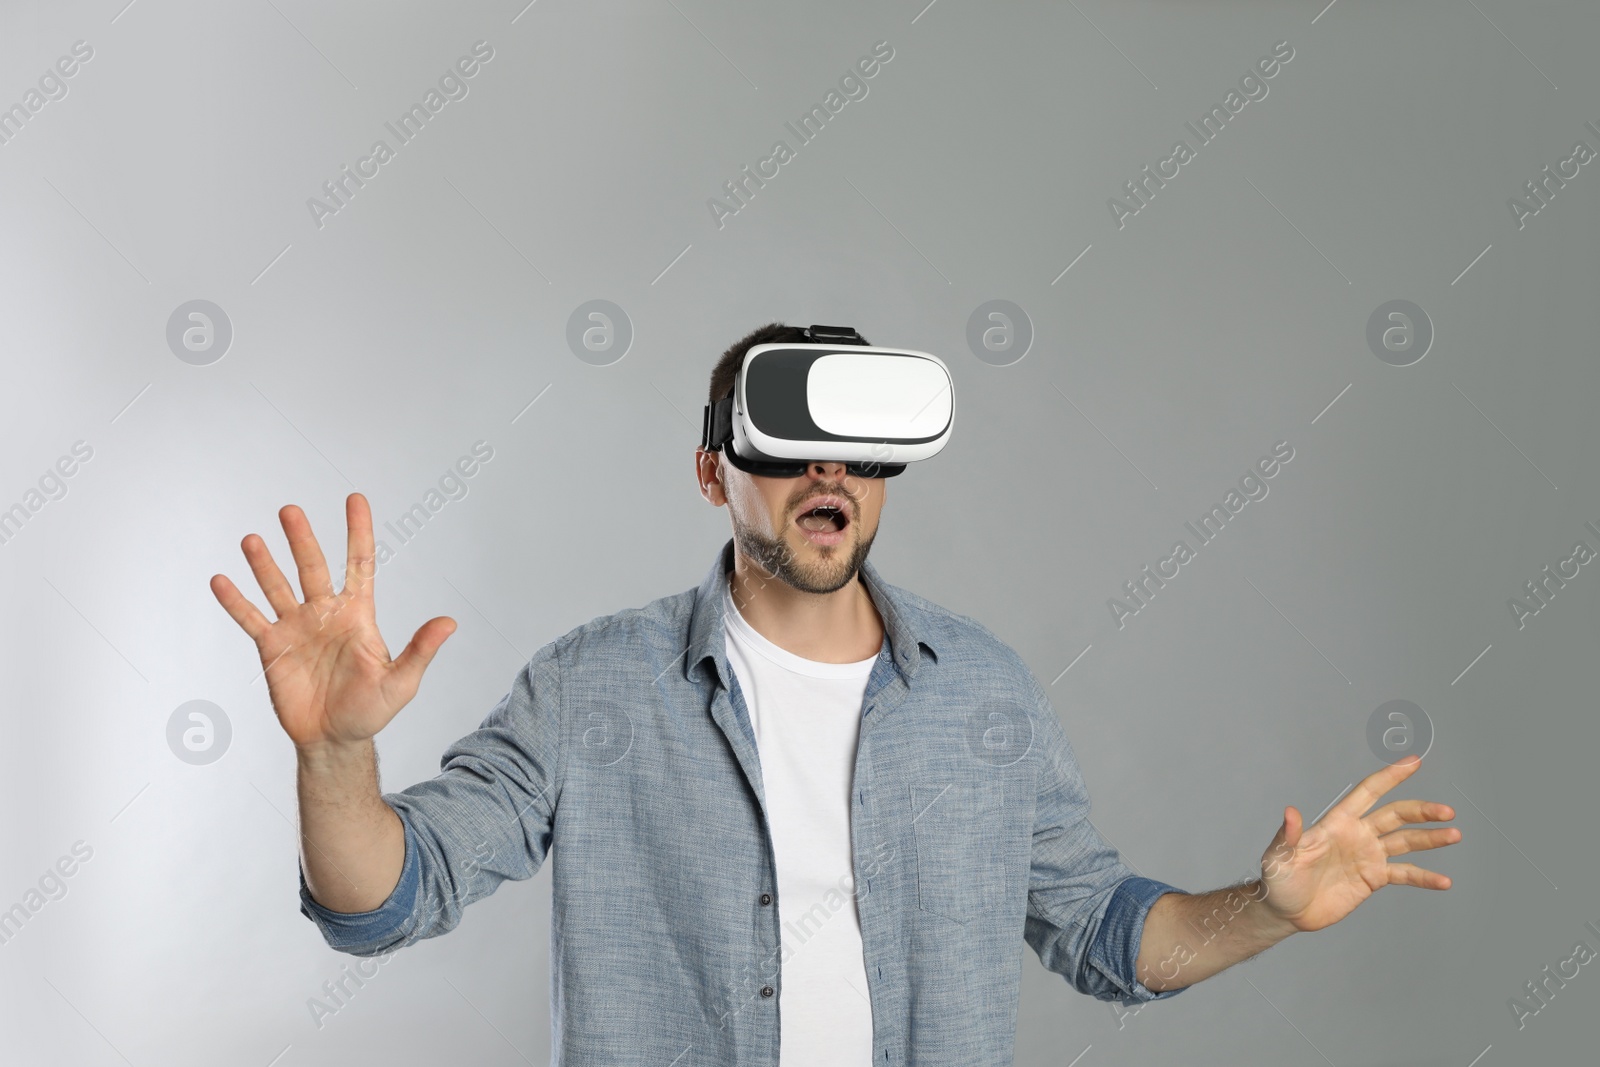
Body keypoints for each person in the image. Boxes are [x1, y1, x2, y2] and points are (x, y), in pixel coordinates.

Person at [210, 322, 1462, 1065]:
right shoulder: (592, 687)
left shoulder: (983, 692)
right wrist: (333, 758)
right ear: (714, 473)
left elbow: (1102, 932)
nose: (827, 471)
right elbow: (386, 897)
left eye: (858, 442)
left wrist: (1273, 907)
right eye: (784, 437)